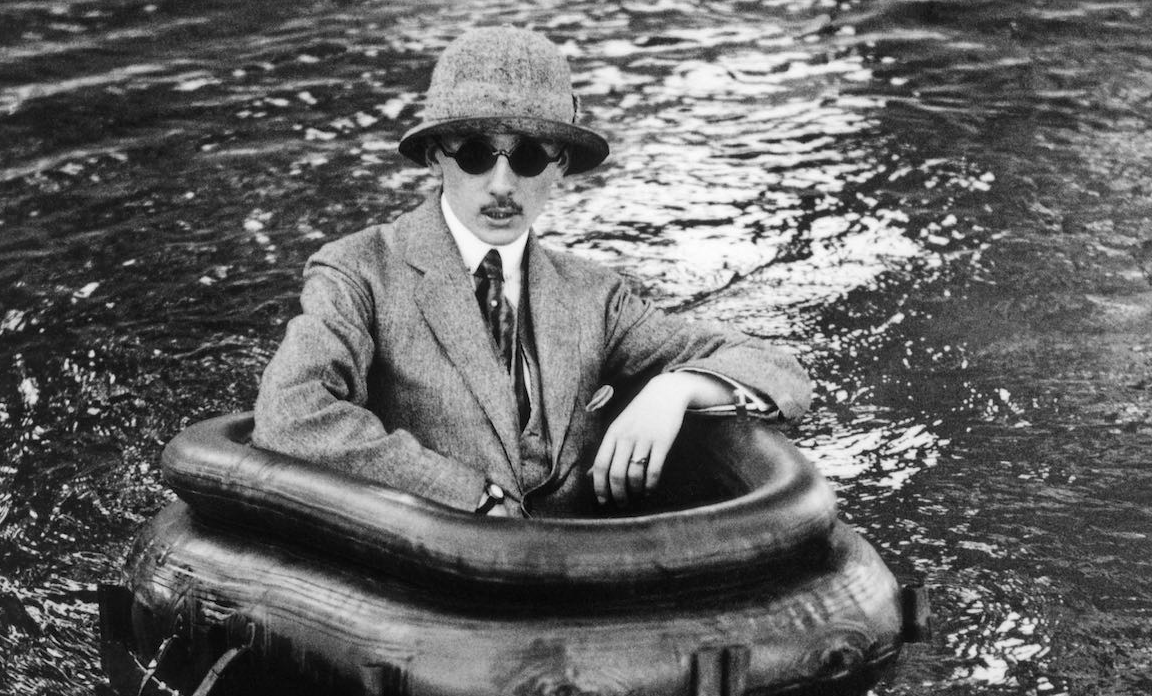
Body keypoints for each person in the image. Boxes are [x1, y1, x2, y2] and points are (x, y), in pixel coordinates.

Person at [252, 25, 813, 518]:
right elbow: (291, 411)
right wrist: (468, 498)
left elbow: (778, 367)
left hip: (572, 584)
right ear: (435, 158)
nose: (501, 185)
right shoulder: (357, 272)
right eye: (474, 153)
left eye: (527, 157)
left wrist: (677, 387)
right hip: (427, 580)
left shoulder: (596, 297)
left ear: (560, 165)